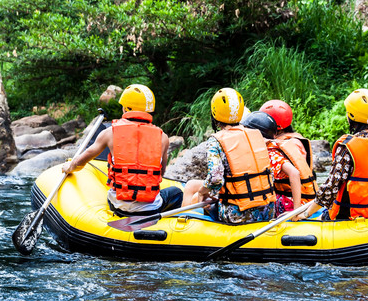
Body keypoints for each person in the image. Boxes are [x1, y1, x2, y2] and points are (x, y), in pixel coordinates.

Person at [61, 84, 183, 216]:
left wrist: (69, 166)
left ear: (126, 108)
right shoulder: (163, 137)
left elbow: (80, 162)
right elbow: (161, 172)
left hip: (118, 206)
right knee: (177, 193)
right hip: (151, 209)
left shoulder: (110, 132)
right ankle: (166, 225)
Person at [300, 89, 368, 220]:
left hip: (352, 214)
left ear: (352, 116)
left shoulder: (347, 147)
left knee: (323, 213)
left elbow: (330, 189)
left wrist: (304, 214)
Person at [181, 88, 276, 224]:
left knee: (199, 197)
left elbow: (215, 179)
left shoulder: (216, 141)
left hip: (237, 215)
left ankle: (183, 227)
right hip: (267, 210)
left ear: (214, 113)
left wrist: (202, 193)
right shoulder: (255, 134)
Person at [241, 111, 306, 220]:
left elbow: (294, 173)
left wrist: (296, 211)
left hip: (288, 203)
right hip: (289, 199)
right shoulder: (267, 148)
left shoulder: (270, 154)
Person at [258, 100, 318, 218]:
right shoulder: (296, 140)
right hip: (309, 199)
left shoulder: (276, 148)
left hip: (292, 202)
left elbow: (294, 174)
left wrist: (296, 212)